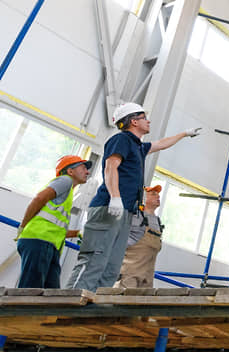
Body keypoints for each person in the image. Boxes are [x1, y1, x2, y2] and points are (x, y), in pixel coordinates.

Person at [67, 102, 202, 291]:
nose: (148, 121)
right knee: (94, 260)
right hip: (108, 207)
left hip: (125, 213)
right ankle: (71, 300)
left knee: (112, 266)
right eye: (144, 117)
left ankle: (95, 303)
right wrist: (115, 197)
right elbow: (110, 166)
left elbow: (161, 144)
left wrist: (184, 134)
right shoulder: (121, 140)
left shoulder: (138, 146)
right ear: (133, 121)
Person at [16, 155, 92, 288]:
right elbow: (38, 199)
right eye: (84, 167)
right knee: (30, 290)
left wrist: (77, 233)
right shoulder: (65, 181)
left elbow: (56, 227)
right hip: (39, 240)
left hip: (48, 245)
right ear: (70, 171)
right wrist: (23, 226)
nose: (87, 172)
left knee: (50, 292)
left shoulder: (67, 192)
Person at [114, 185, 164, 288]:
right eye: (153, 194)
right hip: (129, 274)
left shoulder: (158, 222)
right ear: (144, 199)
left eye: (158, 194)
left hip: (147, 278)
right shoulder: (135, 217)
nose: (158, 196)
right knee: (121, 300)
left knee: (142, 303)